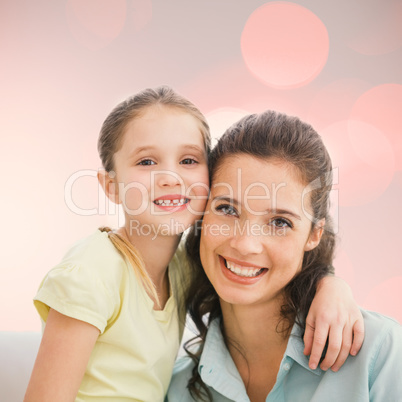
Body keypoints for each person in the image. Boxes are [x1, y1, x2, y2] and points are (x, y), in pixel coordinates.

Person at [25, 88, 364, 402]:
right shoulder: (91, 273)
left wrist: (331, 285)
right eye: (146, 162)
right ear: (111, 186)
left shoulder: (186, 267)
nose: (170, 177)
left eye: (188, 160)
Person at [167, 110, 402, 401]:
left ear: (314, 235)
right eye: (227, 209)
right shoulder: (177, 388)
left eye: (280, 222)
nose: (245, 244)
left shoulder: (379, 354)